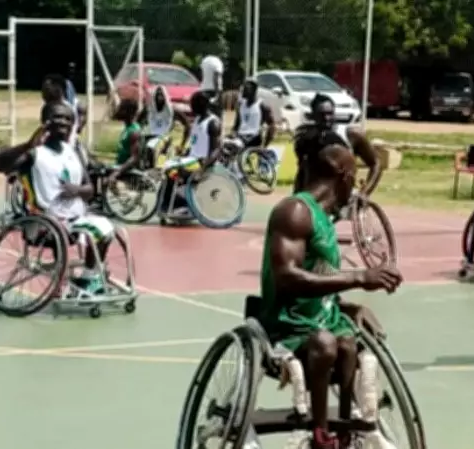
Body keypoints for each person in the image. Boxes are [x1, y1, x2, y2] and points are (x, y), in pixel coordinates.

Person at [254, 143, 401, 449]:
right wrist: (359, 277)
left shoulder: (325, 218)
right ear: (344, 176)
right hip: (286, 325)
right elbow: (287, 278)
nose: (357, 185)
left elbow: (320, 279)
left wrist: (349, 306)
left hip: (321, 320)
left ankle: (345, 430)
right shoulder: (295, 211)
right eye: (356, 176)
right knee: (326, 341)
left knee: (347, 341)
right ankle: (320, 434)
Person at [0, 102, 116, 294]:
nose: (63, 122)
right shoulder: (35, 154)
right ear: (45, 122)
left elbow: (90, 189)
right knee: (90, 229)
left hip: (72, 218)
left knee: (107, 228)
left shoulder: (72, 153)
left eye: (68, 119)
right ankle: (83, 280)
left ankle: (88, 276)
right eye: (58, 117)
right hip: (44, 221)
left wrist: (77, 190)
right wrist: (28, 143)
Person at [292, 94, 381, 208]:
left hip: (340, 190)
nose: (326, 118)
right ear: (313, 116)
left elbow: (375, 163)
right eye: (321, 115)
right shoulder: (307, 139)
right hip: (314, 188)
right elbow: (302, 170)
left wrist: (365, 193)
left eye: (329, 114)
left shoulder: (351, 135)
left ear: (334, 113)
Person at [159, 91, 223, 216]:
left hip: (202, 162)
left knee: (175, 173)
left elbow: (216, 150)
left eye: (193, 104)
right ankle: (168, 204)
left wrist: (202, 169)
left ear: (202, 103)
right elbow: (195, 143)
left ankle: (185, 203)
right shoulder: (198, 120)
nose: (191, 107)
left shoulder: (213, 123)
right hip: (192, 159)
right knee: (168, 169)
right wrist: (184, 153)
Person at [137, 85, 190, 167]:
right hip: (149, 135)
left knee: (151, 147)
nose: (159, 97)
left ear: (165, 96)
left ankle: (151, 168)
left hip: (164, 137)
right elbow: (137, 122)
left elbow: (187, 125)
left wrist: (183, 143)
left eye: (161, 94)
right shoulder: (149, 109)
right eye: (157, 94)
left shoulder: (172, 110)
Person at [230, 77, 276, 149]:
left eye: (245, 88)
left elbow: (272, 125)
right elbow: (236, 125)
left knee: (235, 144)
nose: (242, 90)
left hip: (254, 137)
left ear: (253, 90)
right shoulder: (240, 105)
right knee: (223, 143)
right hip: (240, 136)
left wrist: (265, 145)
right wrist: (233, 133)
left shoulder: (262, 105)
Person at [107, 99, 143, 185]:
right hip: (120, 167)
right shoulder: (127, 128)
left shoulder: (134, 131)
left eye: (121, 109)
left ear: (128, 112)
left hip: (127, 173)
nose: (119, 111)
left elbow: (134, 157)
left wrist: (117, 173)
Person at [199, 55, 225, 119]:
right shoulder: (218, 62)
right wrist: (217, 93)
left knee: (206, 111)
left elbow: (201, 74)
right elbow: (216, 77)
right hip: (214, 90)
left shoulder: (204, 61)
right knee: (217, 112)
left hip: (204, 89)